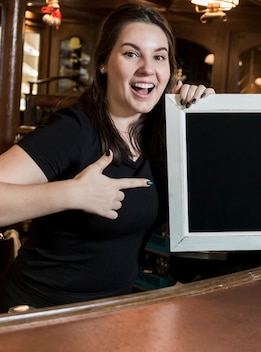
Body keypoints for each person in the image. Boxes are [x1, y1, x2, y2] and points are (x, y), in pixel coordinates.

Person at [0, 3, 215, 311]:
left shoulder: (164, 132)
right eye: (131, 54)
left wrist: (207, 119)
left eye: (159, 56)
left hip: (112, 313)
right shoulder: (74, 130)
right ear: (103, 62)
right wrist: (70, 193)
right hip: (41, 312)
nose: (147, 68)